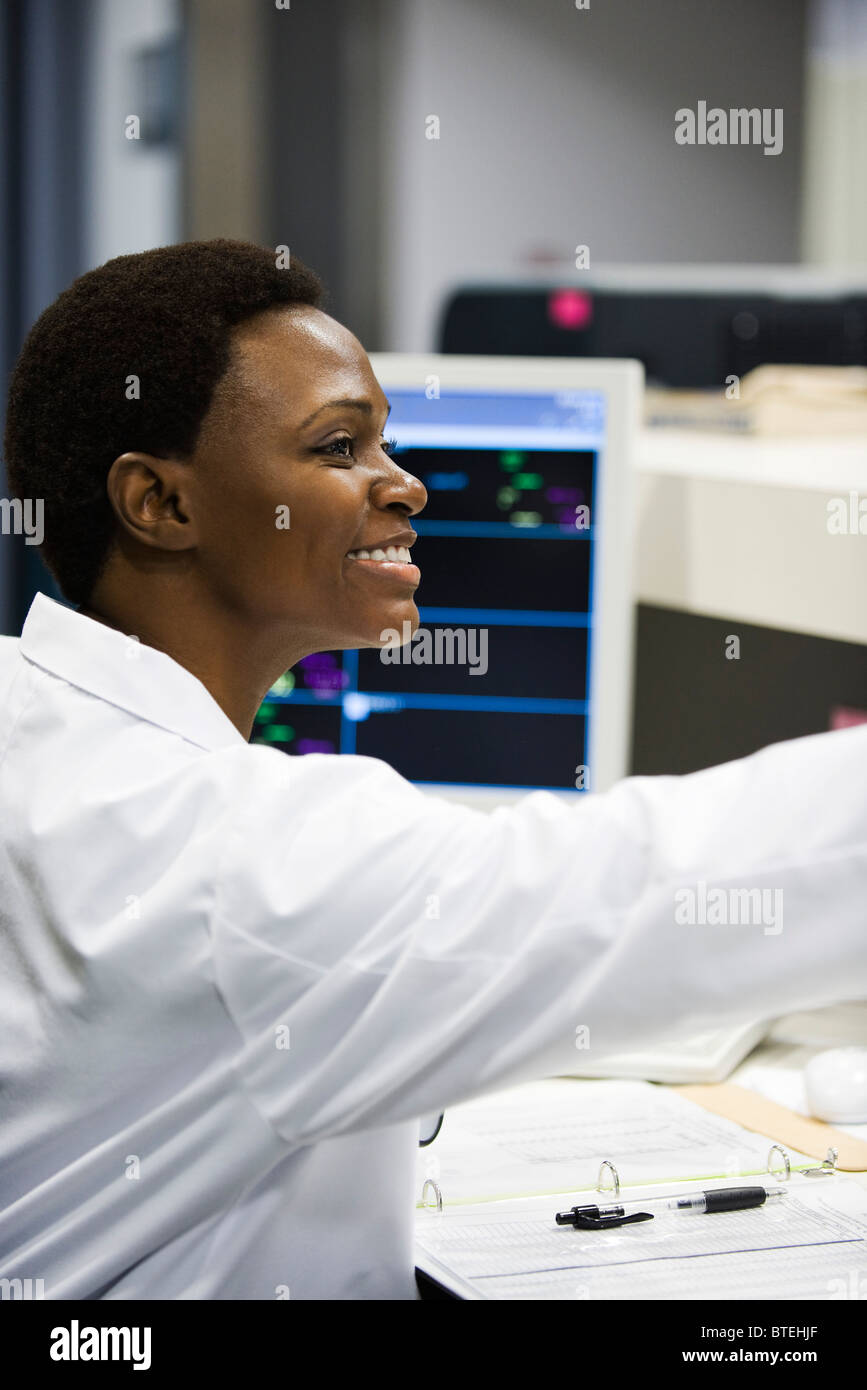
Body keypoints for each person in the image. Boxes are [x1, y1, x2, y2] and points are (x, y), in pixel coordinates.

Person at [0, 239, 864, 1300]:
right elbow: (644, 887)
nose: (403, 483)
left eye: (387, 443)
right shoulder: (238, 863)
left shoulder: (36, 716)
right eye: (337, 447)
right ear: (161, 504)